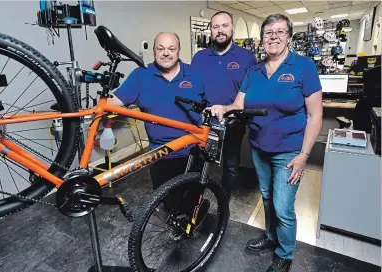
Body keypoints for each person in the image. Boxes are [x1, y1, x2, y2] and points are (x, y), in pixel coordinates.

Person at [210, 14, 323, 271]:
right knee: (267, 197)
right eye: (268, 32)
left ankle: (285, 252)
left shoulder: (303, 67)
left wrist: (304, 154)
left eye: (280, 31)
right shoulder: (254, 71)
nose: (274, 36)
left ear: (289, 37)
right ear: (262, 39)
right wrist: (222, 108)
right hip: (259, 147)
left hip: (290, 150)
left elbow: (316, 116)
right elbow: (238, 105)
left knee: (283, 206)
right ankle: (271, 236)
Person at [108, 32, 206, 211]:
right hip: (160, 154)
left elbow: (212, 106)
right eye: (160, 48)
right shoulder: (140, 75)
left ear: (178, 51)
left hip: (192, 151)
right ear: (154, 51)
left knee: (191, 201)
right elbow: (113, 103)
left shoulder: (195, 74)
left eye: (171, 48)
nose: (166, 53)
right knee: (167, 201)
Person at [191, 11, 258, 198]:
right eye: (215, 27)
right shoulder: (199, 57)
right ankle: (195, 201)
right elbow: (192, 88)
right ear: (210, 30)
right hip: (204, 123)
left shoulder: (247, 58)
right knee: (199, 164)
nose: (220, 31)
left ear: (232, 28)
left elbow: (252, 91)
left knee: (230, 165)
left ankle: (223, 201)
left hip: (232, 123)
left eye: (224, 26)